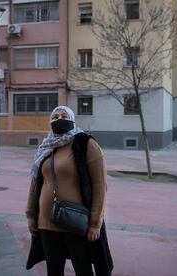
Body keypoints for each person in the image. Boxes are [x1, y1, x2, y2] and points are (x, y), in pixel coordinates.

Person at [25, 106, 113, 276]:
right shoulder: (46, 147)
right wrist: (30, 214)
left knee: (82, 269)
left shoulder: (85, 143)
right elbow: (35, 183)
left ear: (72, 119)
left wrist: (95, 223)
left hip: (74, 221)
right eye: (55, 116)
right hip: (45, 222)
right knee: (54, 270)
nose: (59, 119)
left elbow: (100, 186)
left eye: (64, 115)